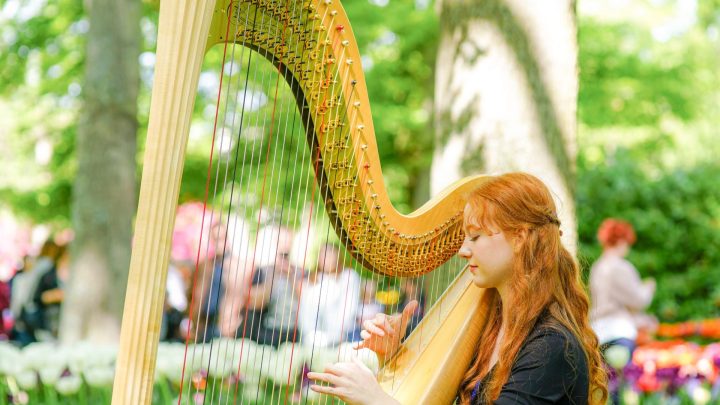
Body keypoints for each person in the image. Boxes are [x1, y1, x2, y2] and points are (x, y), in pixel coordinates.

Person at [307, 172, 608, 404]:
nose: (463, 250)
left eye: (475, 237)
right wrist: (394, 356)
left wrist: (377, 399)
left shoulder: (552, 347)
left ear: (519, 238)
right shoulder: (491, 327)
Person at [589, 219, 656, 402]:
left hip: (598, 334)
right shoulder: (621, 267)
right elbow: (639, 300)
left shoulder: (597, 267)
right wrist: (648, 287)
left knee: (605, 390)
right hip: (619, 332)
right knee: (623, 389)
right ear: (621, 241)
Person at [241, 225, 303, 348]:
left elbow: (305, 301)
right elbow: (253, 302)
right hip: (268, 332)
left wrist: (291, 277)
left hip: (294, 332)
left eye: (288, 241)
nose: (285, 245)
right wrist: (274, 276)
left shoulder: (300, 272)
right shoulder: (263, 271)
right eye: (281, 241)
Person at [298, 243, 361, 348]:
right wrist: (312, 336)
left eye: (330, 254)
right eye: (323, 254)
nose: (326, 258)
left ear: (338, 257)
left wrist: (333, 337)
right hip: (315, 340)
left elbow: (349, 310)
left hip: (346, 336)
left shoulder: (349, 276)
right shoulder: (312, 280)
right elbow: (306, 313)